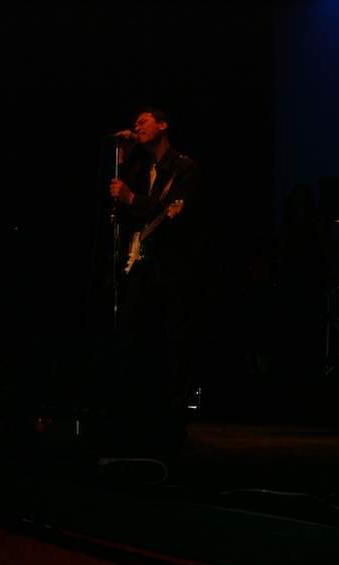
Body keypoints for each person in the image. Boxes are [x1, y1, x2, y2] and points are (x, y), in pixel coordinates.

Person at [97, 106, 202, 458]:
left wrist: (133, 199)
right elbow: (122, 206)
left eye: (144, 121)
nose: (137, 126)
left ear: (163, 124)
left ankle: (171, 428)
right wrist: (124, 157)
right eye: (135, 122)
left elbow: (171, 210)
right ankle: (132, 421)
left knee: (171, 345)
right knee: (132, 340)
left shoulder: (183, 167)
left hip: (171, 272)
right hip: (141, 269)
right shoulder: (139, 168)